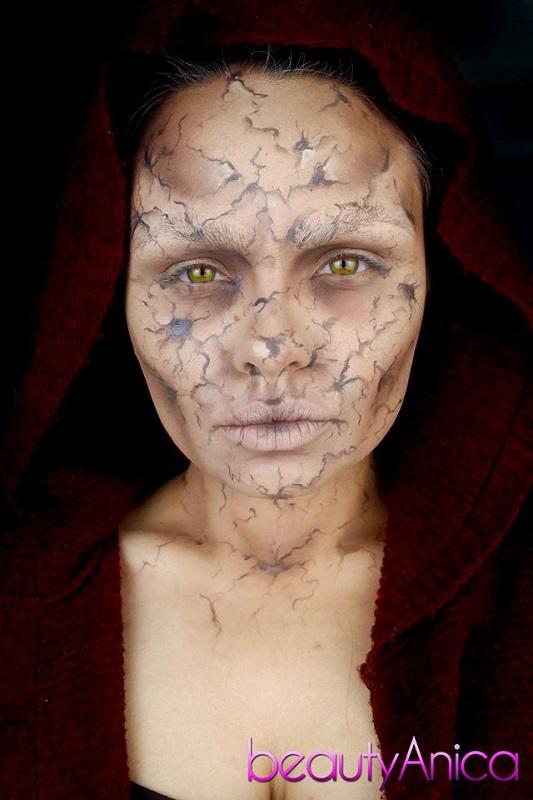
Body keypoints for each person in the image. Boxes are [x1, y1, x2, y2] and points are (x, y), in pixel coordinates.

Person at [1, 1, 531, 799]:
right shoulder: (17, 603)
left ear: (442, 275)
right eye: (198, 272)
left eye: (345, 264)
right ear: (107, 295)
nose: (271, 347)